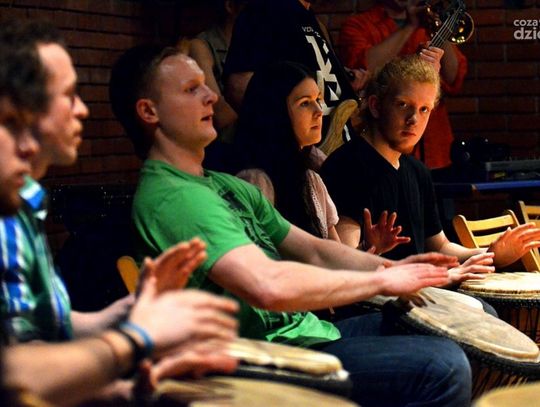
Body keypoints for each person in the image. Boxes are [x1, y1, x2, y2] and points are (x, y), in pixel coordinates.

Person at [110, 44, 473, 406]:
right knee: (444, 366)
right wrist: (381, 281)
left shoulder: (225, 186)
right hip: (254, 360)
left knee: (454, 328)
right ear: (149, 111)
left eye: (206, 85)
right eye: (192, 89)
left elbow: (315, 250)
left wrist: (404, 270)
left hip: (303, 335)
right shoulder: (174, 198)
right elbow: (266, 285)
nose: (212, 97)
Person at [0, 29, 239, 407]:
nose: (83, 109)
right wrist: (134, 338)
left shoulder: (23, 199)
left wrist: (128, 319)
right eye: (68, 95)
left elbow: (40, 329)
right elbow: (13, 370)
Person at [320, 55, 540, 282]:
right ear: (376, 106)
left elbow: (440, 245)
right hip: (377, 295)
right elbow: (345, 264)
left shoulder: (417, 171)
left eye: (424, 109)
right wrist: (370, 248)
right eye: (403, 105)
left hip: (417, 288)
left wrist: (490, 254)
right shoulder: (346, 167)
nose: (414, 119)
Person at [339, 0, 468, 169]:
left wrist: (440, 29)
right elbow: (365, 67)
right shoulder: (358, 24)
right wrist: (410, 26)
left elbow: (454, 78)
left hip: (435, 147)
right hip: (382, 149)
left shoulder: (429, 24)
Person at [224, 0, 368, 144]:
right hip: (304, 152)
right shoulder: (265, 10)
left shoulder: (310, 18)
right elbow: (240, 87)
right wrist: (292, 146)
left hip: (339, 148)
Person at [235, 61, 340, 240]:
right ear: (275, 112)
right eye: (305, 103)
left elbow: (335, 250)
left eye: (317, 100)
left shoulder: (311, 178)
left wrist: (370, 247)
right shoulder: (255, 182)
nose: (318, 111)